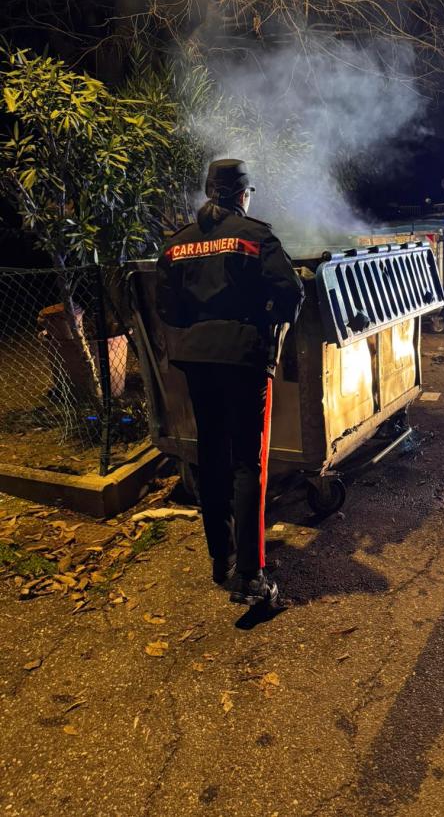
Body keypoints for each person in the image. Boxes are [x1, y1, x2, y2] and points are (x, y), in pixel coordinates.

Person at [155, 159, 304, 607]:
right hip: (244, 359)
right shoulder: (257, 236)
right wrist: (267, 326)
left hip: (198, 363)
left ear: (208, 191)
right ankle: (251, 576)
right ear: (243, 194)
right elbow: (291, 292)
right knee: (248, 465)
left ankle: (221, 561)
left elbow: (168, 308)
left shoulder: (177, 244)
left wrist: (201, 329)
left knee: (213, 459)